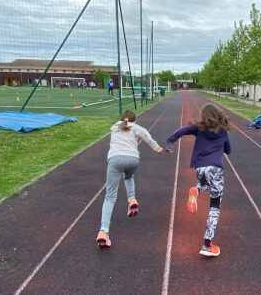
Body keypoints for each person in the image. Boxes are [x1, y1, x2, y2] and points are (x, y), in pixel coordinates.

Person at [166, 104, 232, 257]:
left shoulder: (198, 128)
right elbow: (228, 150)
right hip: (215, 168)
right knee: (214, 207)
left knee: (203, 183)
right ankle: (207, 244)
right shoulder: (222, 131)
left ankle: (197, 189)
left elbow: (181, 131)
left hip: (199, 168)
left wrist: (170, 142)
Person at [96, 110, 163, 248]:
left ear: (121, 119)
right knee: (128, 176)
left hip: (115, 160)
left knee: (110, 197)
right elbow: (145, 134)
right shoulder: (135, 127)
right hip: (133, 159)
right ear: (135, 121)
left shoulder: (115, 127)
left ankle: (104, 231)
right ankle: (132, 199)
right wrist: (157, 148)